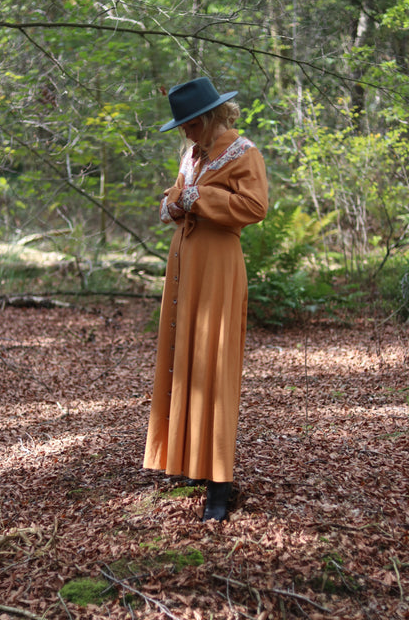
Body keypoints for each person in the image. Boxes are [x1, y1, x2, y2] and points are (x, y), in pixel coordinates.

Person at [143, 76, 268, 522]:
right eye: (180, 126)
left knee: (213, 360)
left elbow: (255, 206)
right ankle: (191, 462)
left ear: (209, 117)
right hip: (184, 263)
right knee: (186, 357)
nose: (183, 133)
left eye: (189, 124)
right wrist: (175, 203)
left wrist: (195, 196)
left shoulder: (244, 152)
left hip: (217, 264)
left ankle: (220, 482)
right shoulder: (191, 154)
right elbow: (172, 201)